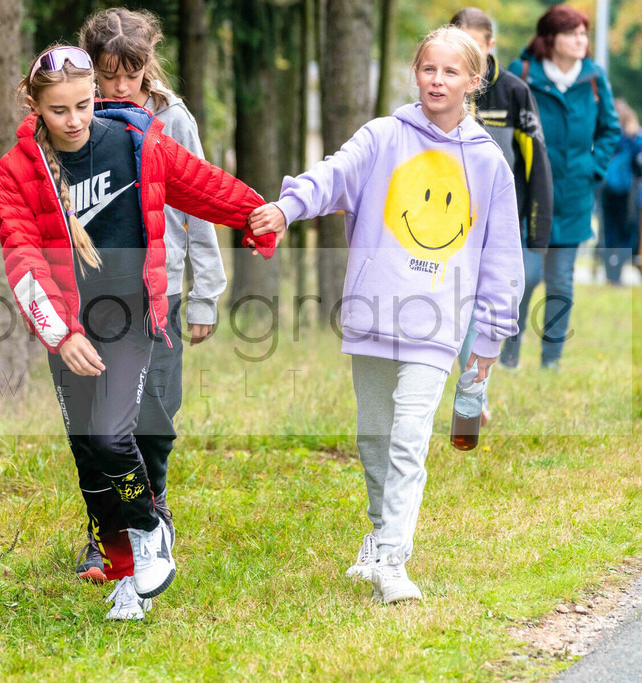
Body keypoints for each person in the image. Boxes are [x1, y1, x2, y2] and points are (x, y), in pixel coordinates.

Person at [0, 45, 277, 620]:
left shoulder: (134, 141)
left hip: (129, 315)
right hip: (72, 327)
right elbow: (22, 259)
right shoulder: (19, 170)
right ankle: (126, 574)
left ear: (94, 95)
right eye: (58, 111)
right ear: (34, 106)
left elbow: (202, 185)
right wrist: (60, 333)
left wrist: (255, 215)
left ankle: (150, 532)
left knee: (110, 437)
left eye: (82, 104)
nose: (74, 121)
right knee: (87, 459)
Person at [249, 26, 524, 603]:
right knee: (373, 435)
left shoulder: (489, 163)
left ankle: (394, 559)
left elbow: (501, 255)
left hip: (438, 320)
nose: (437, 81)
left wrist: (490, 340)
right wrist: (286, 207)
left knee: (407, 437)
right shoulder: (382, 136)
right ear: (415, 74)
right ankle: (379, 533)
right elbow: (333, 174)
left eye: (452, 72)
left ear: (475, 81)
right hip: (375, 310)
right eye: (429, 69)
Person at [70, 7, 223, 586]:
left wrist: (206, 292)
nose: (119, 88)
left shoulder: (170, 119)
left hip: (164, 289)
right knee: (98, 422)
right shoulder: (73, 116)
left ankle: (153, 509)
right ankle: (106, 536)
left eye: (129, 74)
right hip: (95, 294)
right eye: (107, 75)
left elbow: (198, 200)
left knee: (155, 410)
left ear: (146, 65)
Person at [500, 4, 620, 370]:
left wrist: (593, 169)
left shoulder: (595, 78)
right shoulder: (522, 75)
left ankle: (551, 360)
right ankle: (508, 354)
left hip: (574, 198)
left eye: (584, 33)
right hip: (527, 197)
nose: (582, 40)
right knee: (525, 278)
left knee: (561, 284)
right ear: (551, 39)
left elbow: (610, 130)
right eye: (573, 33)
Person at [451, 7, 554, 424]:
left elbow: (536, 165)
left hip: (500, 224)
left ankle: (475, 389)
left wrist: (537, 231)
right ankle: (473, 393)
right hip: (452, 227)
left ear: (491, 46)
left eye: (474, 47)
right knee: (461, 307)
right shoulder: (440, 91)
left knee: (484, 307)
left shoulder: (514, 92)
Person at [599, 100, 642, 285]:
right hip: (626, 194)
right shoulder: (632, 140)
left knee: (609, 232)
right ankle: (617, 271)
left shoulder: (606, 137)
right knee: (627, 233)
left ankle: (611, 275)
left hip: (606, 190)